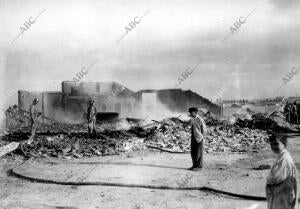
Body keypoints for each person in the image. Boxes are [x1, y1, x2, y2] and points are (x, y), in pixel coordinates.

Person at [266, 134, 298, 209]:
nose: (273, 146)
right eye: (271, 144)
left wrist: (295, 199)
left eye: (276, 143)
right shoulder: (281, 157)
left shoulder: (285, 159)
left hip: (282, 199)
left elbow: (294, 179)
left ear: (284, 144)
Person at [188, 107, 207, 171]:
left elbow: (204, 130)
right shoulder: (193, 119)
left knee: (199, 153)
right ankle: (194, 165)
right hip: (194, 137)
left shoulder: (200, 119)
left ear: (195, 112)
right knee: (193, 152)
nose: (190, 114)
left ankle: (199, 167)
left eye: (191, 112)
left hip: (199, 138)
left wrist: (203, 138)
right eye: (190, 112)